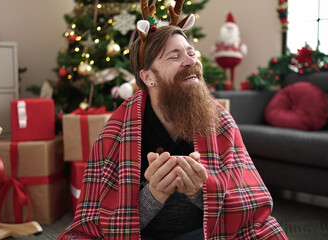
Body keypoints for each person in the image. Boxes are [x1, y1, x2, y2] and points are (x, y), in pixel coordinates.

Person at [59, 2, 287, 239]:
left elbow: (246, 209)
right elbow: (98, 223)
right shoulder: (115, 134)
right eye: (175, 56)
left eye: (191, 53)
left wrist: (199, 192)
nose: (191, 61)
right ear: (148, 77)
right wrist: (154, 194)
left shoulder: (221, 122)